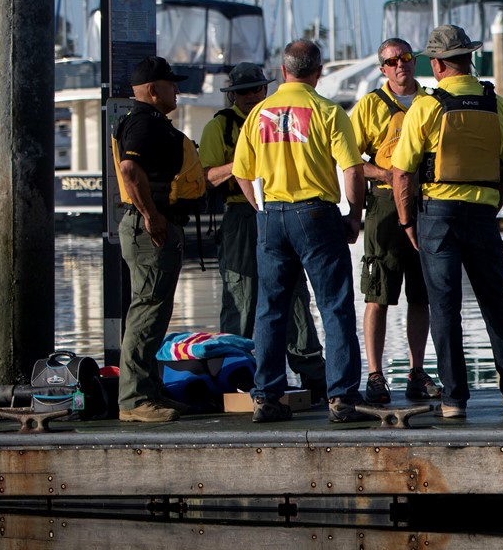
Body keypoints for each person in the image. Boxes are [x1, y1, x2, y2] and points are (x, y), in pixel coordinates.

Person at [386, 25, 503, 420]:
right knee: (496, 304)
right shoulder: (496, 103)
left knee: (445, 308)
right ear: (469, 59)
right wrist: (495, 200)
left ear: (436, 64)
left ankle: (454, 400)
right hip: (483, 215)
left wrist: (406, 222)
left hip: (438, 216)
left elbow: (402, 172)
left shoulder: (427, 106)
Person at [231, 39, 368, 424]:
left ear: (282, 70)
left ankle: (267, 397)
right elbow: (352, 169)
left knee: (270, 310)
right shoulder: (327, 111)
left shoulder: (258, 113)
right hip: (316, 214)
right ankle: (341, 398)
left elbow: (242, 172)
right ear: (319, 70)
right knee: (335, 308)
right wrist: (354, 216)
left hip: (272, 214)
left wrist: (262, 209)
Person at [198, 61, 326, 395]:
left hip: (281, 210)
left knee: (295, 293)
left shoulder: (279, 118)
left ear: (266, 88)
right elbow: (206, 177)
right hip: (241, 215)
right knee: (242, 294)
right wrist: (242, 159)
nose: (250, 96)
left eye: (255, 89)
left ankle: (311, 371)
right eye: (242, 92)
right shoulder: (221, 127)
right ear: (232, 96)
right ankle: (233, 372)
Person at [113, 55, 207, 423]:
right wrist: (152, 216)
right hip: (150, 226)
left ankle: (149, 391)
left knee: (154, 311)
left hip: (157, 223)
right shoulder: (144, 123)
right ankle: (135, 400)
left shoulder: (150, 122)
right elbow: (128, 168)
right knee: (147, 310)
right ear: (153, 90)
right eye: (171, 84)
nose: (177, 90)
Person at [349, 38, 441, 404]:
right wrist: (387, 173)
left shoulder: (431, 101)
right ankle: (375, 375)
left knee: (422, 295)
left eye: (405, 58)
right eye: (392, 61)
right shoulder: (370, 106)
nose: (400, 65)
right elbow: (350, 159)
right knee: (378, 294)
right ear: (383, 68)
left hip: (425, 201)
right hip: (385, 205)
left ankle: (417, 372)